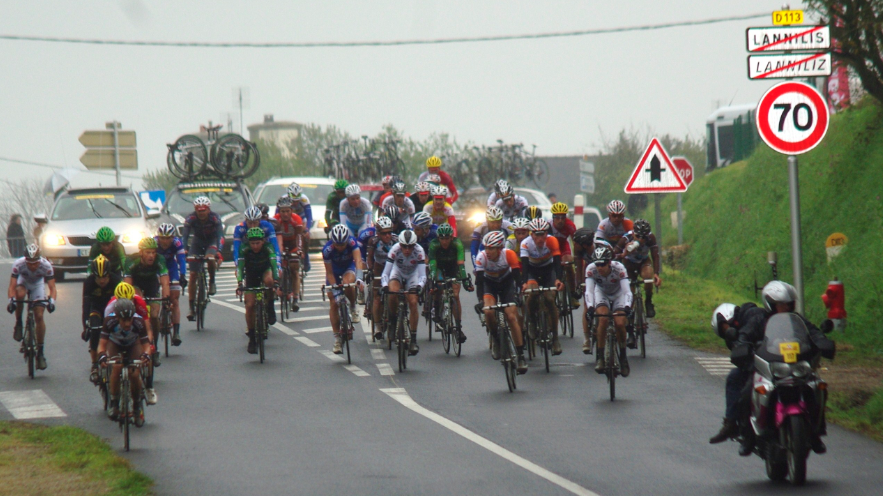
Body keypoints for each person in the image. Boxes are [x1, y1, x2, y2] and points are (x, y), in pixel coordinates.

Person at [726, 281, 835, 456]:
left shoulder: (797, 321)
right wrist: (742, 345)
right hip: (769, 368)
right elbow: (744, 336)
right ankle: (748, 437)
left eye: (788, 303)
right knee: (747, 393)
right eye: (781, 304)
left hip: (796, 368)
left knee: (817, 387)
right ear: (770, 304)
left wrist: (822, 341)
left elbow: (813, 332)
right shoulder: (758, 319)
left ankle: (816, 432)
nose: (785, 307)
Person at [707, 301, 763, 446]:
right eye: (724, 331)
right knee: (736, 380)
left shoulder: (751, 313)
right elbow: (740, 360)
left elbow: (752, 326)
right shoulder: (732, 338)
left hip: (779, 361)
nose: (728, 331)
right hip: (757, 368)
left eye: (725, 327)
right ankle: (736, 426)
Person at [123, 237, 170, 405]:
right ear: (141, 252)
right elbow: (127, 286)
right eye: (148, 252)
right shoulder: (131, 261)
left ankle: (153, 347)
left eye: (153, 252)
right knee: (137, 303)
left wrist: (166, 299)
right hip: (136, 285)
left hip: (151, 285)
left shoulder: (160, 260)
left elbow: (165, 283)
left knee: (155, 315)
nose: (151, 256)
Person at [475, 231, 527, 373]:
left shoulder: (509, 254)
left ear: (500, 248)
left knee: (511, 316)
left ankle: (521, 355)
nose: (488, 251)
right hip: (489, 284)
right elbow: (479, 282)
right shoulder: (481, 257)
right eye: (486, 248)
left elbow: (517, 277)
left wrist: (517, 294)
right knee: (489, 312)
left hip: (507, 283)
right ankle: (496, 340)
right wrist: (481, 301)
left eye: (491, 248)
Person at [98, 298, 149, 425]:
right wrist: (102, 356)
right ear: (117, 317)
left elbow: (146, 345)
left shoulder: (138, 322)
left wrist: (146, 355)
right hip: (115, 344)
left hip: (133, 344)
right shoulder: (109, 321)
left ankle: (137, 406)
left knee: (134, 373)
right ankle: (114, 403)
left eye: (129, 319)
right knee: (117, 366)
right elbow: (102, 344)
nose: (127, 324)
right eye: (123, 320)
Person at [7, 244, 56, 370]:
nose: (33, 266)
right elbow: (12, 286)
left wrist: (52, 301)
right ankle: (19, 322)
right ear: (25, 260)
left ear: (40, 260)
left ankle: (40, 352)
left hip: (37, 285)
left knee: (39, 315)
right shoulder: (18, 264)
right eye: (30, 263)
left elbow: (52, 288)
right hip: (23, 283)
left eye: (36, 263)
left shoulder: (46, 265)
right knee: (20, 293)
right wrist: (11, 300)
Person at [584, 245, 631, 376]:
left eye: (603, 264)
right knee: (602, 319)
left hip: (618, 294)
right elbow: (589, 291)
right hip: (602, 293)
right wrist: (590, 307)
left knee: (620, 323)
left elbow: (627, 291)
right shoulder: (591, 269)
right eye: (597, 264)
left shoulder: (619, 268)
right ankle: (600, 357)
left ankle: (623, 357)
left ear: (609, 263)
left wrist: (627, 307)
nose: (599, 268)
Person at [520, 218, 564, 356]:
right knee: (532, 294)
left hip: (548, 270)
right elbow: (525, 266)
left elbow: (557, 263)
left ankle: (556, 338)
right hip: (532, 270)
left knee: (550, 299)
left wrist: (558, 279)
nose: (540, 238)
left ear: (547, 233)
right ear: (531, 234)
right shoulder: (525, 244)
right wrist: (525, 282)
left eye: (542, 234)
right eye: (536, 234)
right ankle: (532, 322)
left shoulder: (552, 241)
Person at [235, 227, 281, 354]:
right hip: (251, 274)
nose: (255, 246)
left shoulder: (268, 247)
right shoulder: (244, 249)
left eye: (258, 243)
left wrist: (276, 281)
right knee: (249, 305)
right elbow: (240, 267)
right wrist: (239, 282)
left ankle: (270, 306)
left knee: (269, 281)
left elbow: (273, 265)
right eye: (252, 243)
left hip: (265, 270)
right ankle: (252, 337)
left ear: (263, 241)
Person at [381, 230, 425, 356]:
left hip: (412, 275)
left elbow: (422, 275)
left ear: (414, 245)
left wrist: (419, 287)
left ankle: (413, 340)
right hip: (397, 273)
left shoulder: (419, 251)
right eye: (404, 246)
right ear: (400, 245)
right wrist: (384, 286)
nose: (407, 249)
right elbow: (385, 273)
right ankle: (393, 321)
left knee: (413, 302)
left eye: (410, 246)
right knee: (392, 292)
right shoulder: (394, 250)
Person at [322, 224, 364, 354]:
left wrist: (359, 278)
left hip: (348, 267)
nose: (340, 247)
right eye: (337, 245)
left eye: (342, 245)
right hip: (333, 271)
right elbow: (329, 273)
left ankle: (352, 306)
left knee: (347, 283)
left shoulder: (352, 242)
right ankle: (337, 339)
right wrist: (334, 290)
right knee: (334, 302)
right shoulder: (327, 250)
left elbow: (358, 260)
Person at [427, 223, 472, 343]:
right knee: (438, 288)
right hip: (439, 268)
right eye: (442, 238)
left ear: (452, 238)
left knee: (455, 295)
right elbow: (432, 264)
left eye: (447, 238)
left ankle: (458, 328)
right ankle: (437, 312)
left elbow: (461, 264)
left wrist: (465, 281)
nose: (445, 241)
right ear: (438, 238)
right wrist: (433, 281)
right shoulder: (434, 245)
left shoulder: (457, 244)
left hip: (453, 268)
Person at [82, 255, 123, 383]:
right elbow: (86, 306)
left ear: (109, 275)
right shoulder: (89, 283)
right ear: (94, 275)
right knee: (95, 329)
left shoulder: (116, 281)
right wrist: (86, 327)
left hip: (112, 309)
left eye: (104, 277)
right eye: (98, 278)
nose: (102, 281)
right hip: (97, 309)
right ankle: (94, 364)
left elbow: (123, 301)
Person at [181, 196, 222, 317]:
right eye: (199, 210)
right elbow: (185, 236)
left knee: (210, 258)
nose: (201, 213)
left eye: (204, 210)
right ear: (195, 210)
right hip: (197, 242)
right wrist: (184, 250)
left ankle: (212, 282)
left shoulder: (215, 218)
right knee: (193, 275)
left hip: (211, 242)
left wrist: (219, 251)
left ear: (208, 209)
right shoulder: (190, 218)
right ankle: (191, 307)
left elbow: (220, 236)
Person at [614, 219, 661, 323]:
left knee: (648, 275)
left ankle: (648, 301)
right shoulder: (626, 238)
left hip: (643, 261)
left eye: (643, 237)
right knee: (630, 294)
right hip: (628, 263)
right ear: (633, 233)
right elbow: (613, 255)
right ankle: (630, 327)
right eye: (638, 236)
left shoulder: (651, 238)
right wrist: (623, 254)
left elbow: (655, 256)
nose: (640, 239)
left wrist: (656, 274)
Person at [365, 216, 398, 339]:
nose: (387, 236)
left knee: (396, 293)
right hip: (379, 267)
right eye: (384, 233)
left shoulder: (396, 240)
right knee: (377, 297)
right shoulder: (373, 241)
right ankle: (378, 326)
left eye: (389, 232)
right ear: (378, 233)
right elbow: (369, 257)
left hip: (393, 268)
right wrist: (369, 270)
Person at [155, 223, 187, 346]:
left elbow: (181, 260)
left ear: (173, 238)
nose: (165, 241)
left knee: (174, 300)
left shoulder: (177, 243)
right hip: (157, 267)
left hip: (171, 266)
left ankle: (177, 332)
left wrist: (182, 275)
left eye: (168, 238)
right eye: (162, 238)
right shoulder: (154, 243)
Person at [273, 196, 305, 312]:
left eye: (287, 211)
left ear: (291, 211)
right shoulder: (275, 220)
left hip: (293, 244)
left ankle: (295, 297)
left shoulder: (297, 219)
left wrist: (299, 250)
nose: (285, 214)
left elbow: (299, 237)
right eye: (282, 211)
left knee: (294, 269)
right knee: (278, 266)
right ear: (279, 211)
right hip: (280, 243)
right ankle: (279, 287)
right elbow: (274, 238)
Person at [549, 202, 579, 309]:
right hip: (551, 249)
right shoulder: (548, 225)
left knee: (568, 264)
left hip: (563, 246)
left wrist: (575, 257)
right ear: (553, 217)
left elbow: (575, 243)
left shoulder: (570, 225)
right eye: (557, 217)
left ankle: (572, 293)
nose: (560, 220)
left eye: (563, 217)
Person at [572, 227, 596, 353]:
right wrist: (579, 285)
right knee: (587, 305)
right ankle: (587, 338)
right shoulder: (579, 248)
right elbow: (579, 267)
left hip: (605, 271)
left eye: (576, 243)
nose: (574, 245)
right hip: (590, 271)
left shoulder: (601, 247)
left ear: (585, 245)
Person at [287, 183, 313, 271]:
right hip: (289, 220)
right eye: (293, 201)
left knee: (305, 236)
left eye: (297, 201)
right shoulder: (283, 199)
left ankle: (306, 260)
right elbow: (277, 215)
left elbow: (309, 217)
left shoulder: (304, 199)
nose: (295, 203)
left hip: (301, 220)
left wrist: (307, 229)